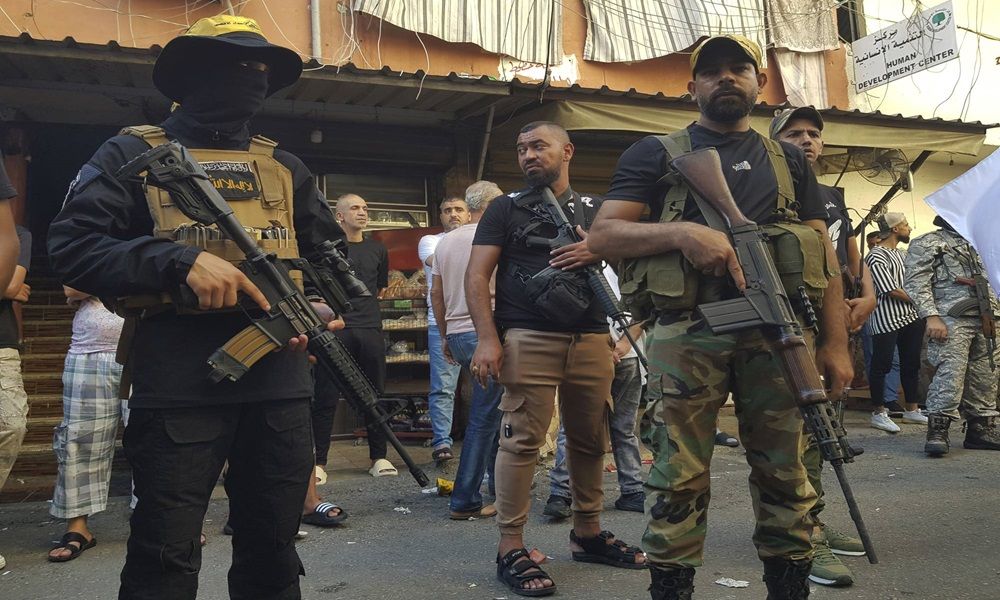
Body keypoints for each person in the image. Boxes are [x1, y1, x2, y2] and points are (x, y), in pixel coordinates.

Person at [47, 16, 345, 599]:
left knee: (273, 548)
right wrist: (176, 261)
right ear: (192, 74)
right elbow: (72, 247)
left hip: (280, 383)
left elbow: (331, 263)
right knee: (165, 552)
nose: (253, 79)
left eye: (261, 69)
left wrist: (316, 307)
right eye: (237, 66)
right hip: (180, 385)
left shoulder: (284, 167)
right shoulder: (130, 153)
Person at [589, 35, 853, 599]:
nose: (726, 78)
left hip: (779, 332)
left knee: (787, 471)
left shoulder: (788, 159)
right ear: (693, 88)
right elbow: (604, 234)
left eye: (739, 68)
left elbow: (823, 256)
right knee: (677, 473)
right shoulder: (655, 152)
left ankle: (790, 586)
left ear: (760, 82)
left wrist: (835, 344)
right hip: (689, 330)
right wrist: (684, 233)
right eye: (711, 71)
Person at [468, 121, 646, 596]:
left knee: (589, 440)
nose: (528, 155)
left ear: (567, 151)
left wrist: (598, 246)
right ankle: (510, 546)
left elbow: (633, 265)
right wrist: (487, 339)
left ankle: (587, 533)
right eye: (521, 148)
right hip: (528, 335)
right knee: (521, 442)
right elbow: (477, 274)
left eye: (538, 146)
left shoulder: (597, 209)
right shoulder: (505, 208)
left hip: (591, 337)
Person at [771, 106, 876, 587]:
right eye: (794, 133)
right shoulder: (765, 187)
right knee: (799, 429)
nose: (807, 140)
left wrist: (866, 296)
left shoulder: (831, 197)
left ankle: (814, 515)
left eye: (813, 133)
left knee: (825, 428)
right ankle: (801, 533)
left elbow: (848, 255)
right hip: (789, 320)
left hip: (832, 318)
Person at [545, 264, 646, 519]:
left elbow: (645, 309)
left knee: (615, 427)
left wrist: (622, 346)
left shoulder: (617, 264)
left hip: (619, 356)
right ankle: (564, 492)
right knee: (579, 427)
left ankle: (566, 492)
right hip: (597, 355)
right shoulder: (619, 264)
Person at [430, 180, 503, 519]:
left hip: (458, 334)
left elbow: (436, 294)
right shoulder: (494, 235)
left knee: (491, 411)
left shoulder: (445, 241)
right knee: (485, 418)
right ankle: (465, 498)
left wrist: (446, 336)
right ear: (492, 205)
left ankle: (498, 487)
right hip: (486, 333)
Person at [903, 216, 1000, 455]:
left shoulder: (983, 241)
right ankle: (938, 429)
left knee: (986, 375)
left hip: (988, 317)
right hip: (951, 318)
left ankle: (981, 430)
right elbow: (916, 282)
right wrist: (931, 316)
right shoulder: (929, 242)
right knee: (950, 374)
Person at [314, 193, 393, 477]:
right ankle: (319, 463)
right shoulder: (325, 250)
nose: (362, 212)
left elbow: (380, 288)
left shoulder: (378, 249)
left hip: (370, 326)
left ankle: (379, 458)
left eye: (365, 208)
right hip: (336, 327)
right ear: (340, 216)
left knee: (375, 393)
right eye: (355, 208)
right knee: (325, 394)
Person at [47, 288, 125, 562]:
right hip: (89, 350)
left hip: (150, 350)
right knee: (80, 440)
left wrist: (98, 279)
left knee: (159, 439)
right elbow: (72, 286)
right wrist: (136, 275)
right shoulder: (87, 247)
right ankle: (78, 528)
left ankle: (170, 522)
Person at [419, 196, 471, 462]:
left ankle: (482, 441)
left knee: (486, 385)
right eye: (448, 210)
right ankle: (442, 442)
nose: (453, 214)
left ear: (469, 214)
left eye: (459, 209)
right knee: (443, 387)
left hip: (476, 321)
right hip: (441, 323)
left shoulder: (478, 239)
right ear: (440, 216)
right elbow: (440, 262)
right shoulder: (430, 241)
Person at [865, 212, 927, 432]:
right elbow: (890, 289)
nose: (909, 228)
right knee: (881, 364)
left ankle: (912, 409)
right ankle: (878, 412)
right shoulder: (876, 255)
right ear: (894, 229)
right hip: (886, 318)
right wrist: (921, 299)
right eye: (905, 225)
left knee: (911, 364)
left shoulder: (903, 254)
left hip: (911, 316)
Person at [0, 214, 28, 572]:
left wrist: (8, 287)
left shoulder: (18, 234)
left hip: (2, 343)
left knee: (10, 425)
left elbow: (12, 282)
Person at [861, 231, 902, 408]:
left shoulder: (896, 258)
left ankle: (890, 398)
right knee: (874, 358)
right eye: (870, 245)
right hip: (872, 315)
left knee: (894, 359)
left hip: (894, 316)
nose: (873, 248)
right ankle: (879, 400)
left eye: (875, 244)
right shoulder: (867, 262)